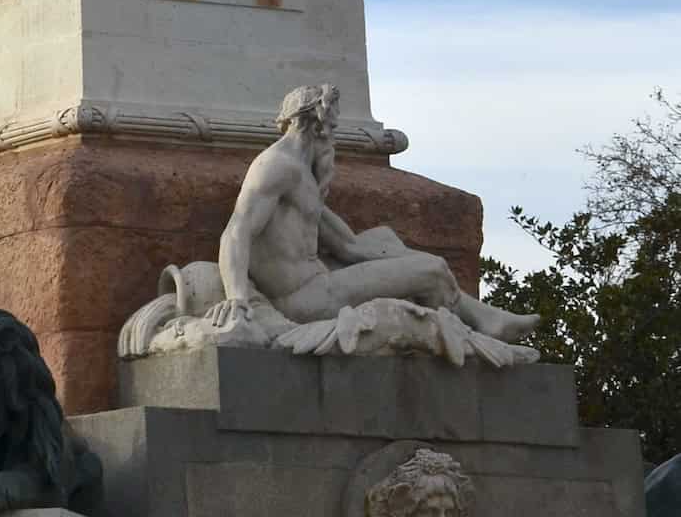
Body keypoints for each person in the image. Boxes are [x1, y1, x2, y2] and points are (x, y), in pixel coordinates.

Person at [209, 85, 539, 345]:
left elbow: (349, 246)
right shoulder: (277, 167)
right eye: (332, 126)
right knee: (433, 270)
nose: (333, 136)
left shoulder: (301, 174)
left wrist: (397, 257)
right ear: (316, 125)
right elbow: (236, 231)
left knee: (385, 239)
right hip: (307, 298)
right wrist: (237, 297)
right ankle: (478, 326)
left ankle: (482, 317)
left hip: (316, 282)